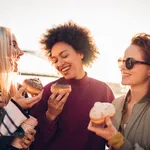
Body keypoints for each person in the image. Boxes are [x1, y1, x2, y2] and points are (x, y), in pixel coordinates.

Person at [30, 21, 115, 150]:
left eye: (64, 55)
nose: (60, 63)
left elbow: (112, 138)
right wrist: (50, 116)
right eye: (55, 60)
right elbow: (34, 142)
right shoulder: (47, 91)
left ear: (81, 53)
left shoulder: (103, 90)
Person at [88, 33, 150, 150]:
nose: (122, 67)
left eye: (129, 62)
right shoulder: (115, 104)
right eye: (122, 61)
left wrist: (116, 139)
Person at [0, 26, 43, 149]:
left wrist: (24, 139)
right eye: (13, 45)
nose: (21, 53)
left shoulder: (19, 92)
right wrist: (16, 109)